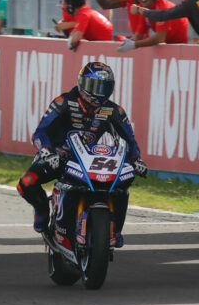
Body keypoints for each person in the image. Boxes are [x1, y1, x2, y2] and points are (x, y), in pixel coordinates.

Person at [16, 61, 147, 236]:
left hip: (91, 161)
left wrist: (136, 160)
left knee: (122, 185)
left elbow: (130, 141)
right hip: (59, 157)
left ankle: (113, 231)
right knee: (26, 183)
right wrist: (47, 150)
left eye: (104, 87)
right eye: (94, 85)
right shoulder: (63, 102)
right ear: (82, 83)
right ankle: (42, 210)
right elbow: (40, 132)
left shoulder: (115, 110)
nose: (98, 92)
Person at [117, 0, 188, 51]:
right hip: (170, 46)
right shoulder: (143, 8)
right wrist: (129, 42)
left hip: (182, 47)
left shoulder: (162, 7)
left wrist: (134, 44)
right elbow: (139, 35)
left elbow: (160, 38)